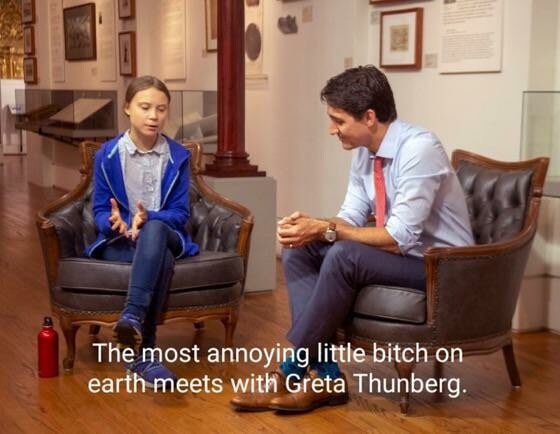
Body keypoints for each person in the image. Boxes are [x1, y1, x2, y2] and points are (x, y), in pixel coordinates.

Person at [231, 65, 474, 412]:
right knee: (299, 250)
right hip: (403, 257)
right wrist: (311, 226)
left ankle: (290, 369)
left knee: (344, 254)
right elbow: (350, 216)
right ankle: (327, 376)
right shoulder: (365, 151)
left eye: (338, 120)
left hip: (441, 267)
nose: (332, 129)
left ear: (369, 117)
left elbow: (399, 237)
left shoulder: (419, 149)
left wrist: (326, 229)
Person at [85, 75, 199, 386]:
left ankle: (132, 316)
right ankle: (144, 355)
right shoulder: (107, 155)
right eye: (145, 107)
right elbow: (100, 210)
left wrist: (149, 218)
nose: (154, 116)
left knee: (156, 230)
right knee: (160, 257)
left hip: (166, 234)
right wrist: (113, 223)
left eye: (161, 109)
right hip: (122, 241)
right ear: (127, 108)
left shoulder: (178, 156)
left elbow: (180, 214)